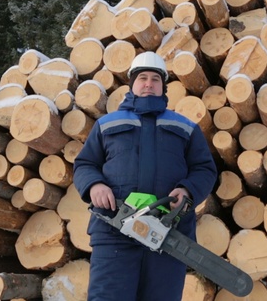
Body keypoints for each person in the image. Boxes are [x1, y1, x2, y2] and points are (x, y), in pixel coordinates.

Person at [73, 51, 217, 300]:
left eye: (155, 79)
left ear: (163, 86)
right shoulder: (107, 125)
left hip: (169, 234)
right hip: (114, 231)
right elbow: (85, 163)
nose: (148, 84)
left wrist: (187, 190)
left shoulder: (185, 127)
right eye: (142, 78)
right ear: (132, 84)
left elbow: (205, 169)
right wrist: (94, 185)